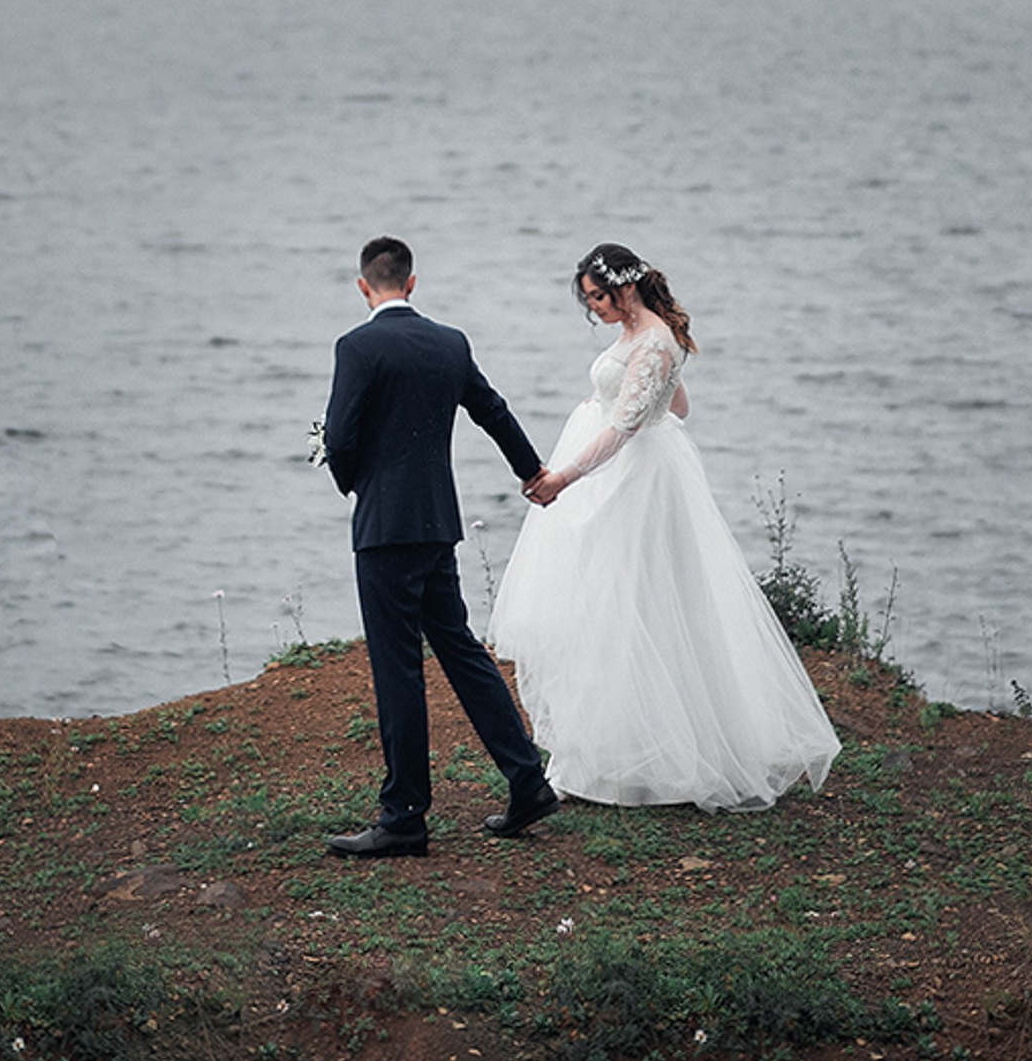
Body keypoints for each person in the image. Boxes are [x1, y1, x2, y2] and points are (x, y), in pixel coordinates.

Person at [489, 243, 838, 811]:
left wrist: (566, 476)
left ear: (623, 287)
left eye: (597, 296)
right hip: (635, 472)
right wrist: (634, 406)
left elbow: (628, 425)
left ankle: (634, 761)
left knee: (627, 606)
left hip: (631, 482)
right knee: (606, 605)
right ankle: (596, 755)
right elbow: (679, 407)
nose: (593, 308)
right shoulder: (649, 339)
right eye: (588, 299)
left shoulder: (652, 341)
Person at [319, 235, 564, 856]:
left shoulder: (357, 346)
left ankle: (403, 817)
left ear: (363, 286)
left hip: (385, 531)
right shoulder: (449, 342)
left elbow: (341, 437)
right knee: (461, 651)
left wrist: (358, 487)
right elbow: (492, 410)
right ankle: (528, 780)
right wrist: (531, 471)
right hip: (437, 525)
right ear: (412, 282)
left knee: (397, 668)